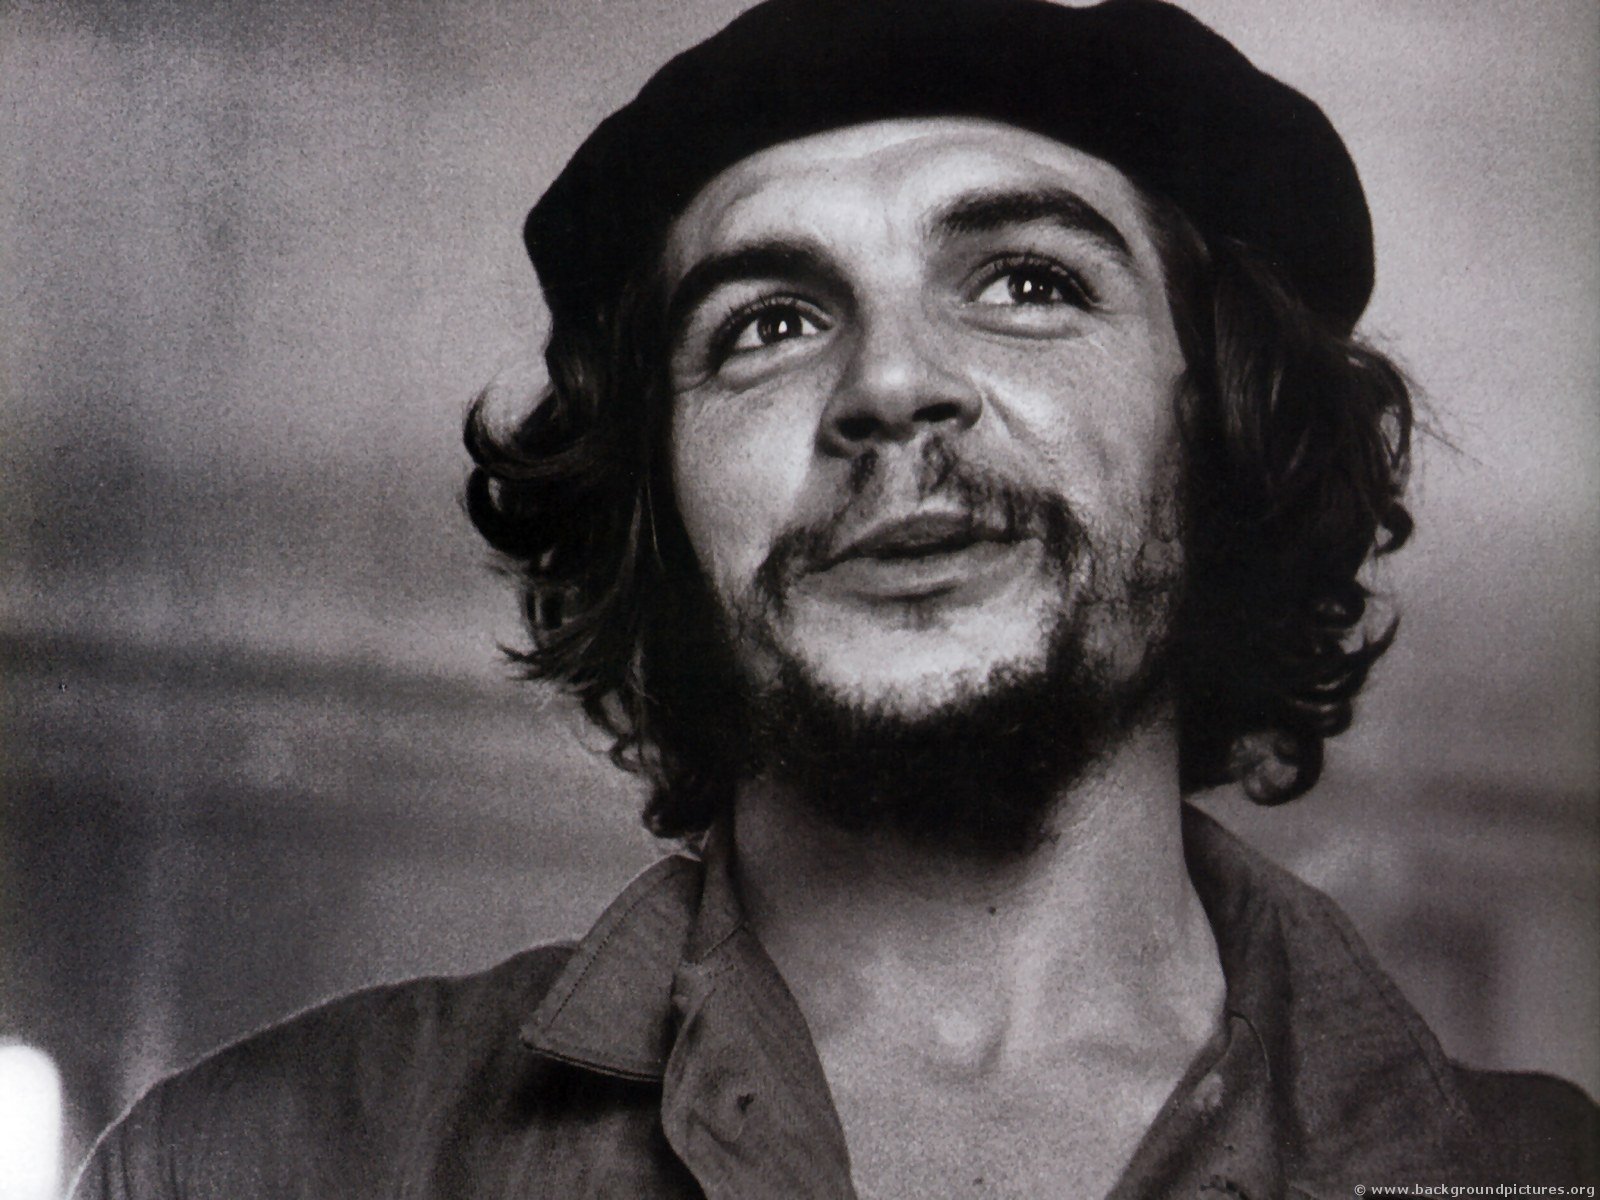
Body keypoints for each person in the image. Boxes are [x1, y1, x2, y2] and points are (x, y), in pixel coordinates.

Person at [73, 0, 1597, 1195]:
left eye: (1028, 284)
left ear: (1219, 424)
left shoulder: (1540, 1174)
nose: (889, 384)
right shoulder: (256, 1163)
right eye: (770, 324)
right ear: (658, 497)